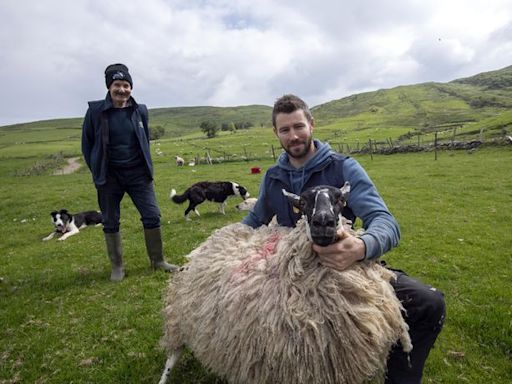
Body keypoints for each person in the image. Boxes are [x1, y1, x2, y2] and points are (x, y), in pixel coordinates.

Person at [243, 94, 446, 383]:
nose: (294, 135)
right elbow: (254, 220)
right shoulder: (274, 177)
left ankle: (397, 373)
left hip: (344, 270)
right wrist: (228, 247)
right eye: (285, 130)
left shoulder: (343, 168)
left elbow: (385, 221)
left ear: (312, 125)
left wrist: (361, 246)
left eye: (299, 126)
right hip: (288, 275)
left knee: (428, 303)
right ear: (276, 133)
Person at [81, 63, 178, 282]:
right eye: (117, 85)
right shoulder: (95, 111)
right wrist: (97, 170)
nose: (122, 90)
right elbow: (87, 145)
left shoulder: (140, 110)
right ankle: (117, 267)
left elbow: (143, 139)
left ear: (131, 87)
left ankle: (158, 260)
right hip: (109, 176)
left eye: (126, 85)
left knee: (152, 215)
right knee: (110, 220)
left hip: (138, 175)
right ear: (109, 87)